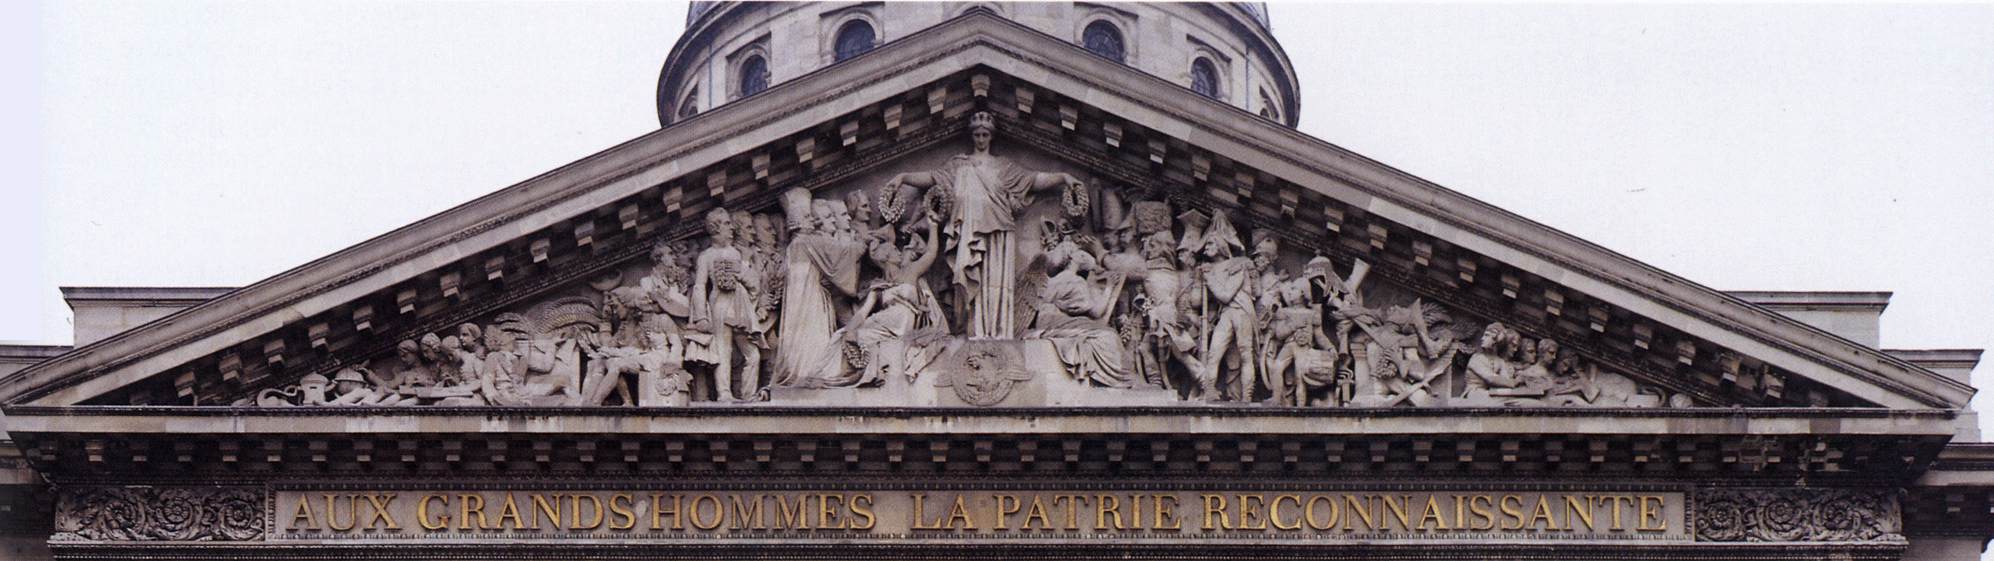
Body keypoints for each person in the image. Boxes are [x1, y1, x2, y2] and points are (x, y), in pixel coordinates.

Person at [883, 111, 1085, 339]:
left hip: (999, 232)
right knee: (964, 277)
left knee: (995, 283)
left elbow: (1034, 180)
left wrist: (1063, 177)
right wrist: (903, 177)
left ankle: (995, 332)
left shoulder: (1004, 167)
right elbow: (931, 177)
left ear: (991, 136)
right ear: (972, 136)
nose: (980, 139)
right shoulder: (958, 165)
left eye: (985, 135)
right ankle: (968, 329)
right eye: (977, 135)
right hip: (967, 232)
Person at [689, 208, 768, 401]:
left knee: (753, 354)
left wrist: (743, 269)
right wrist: (701, 317)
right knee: (722, 351)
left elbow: (752, 282)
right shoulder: (706, 256)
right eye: (726, 223)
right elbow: (699, 286)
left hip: (740, 307)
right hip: (720, 305)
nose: (731, 227)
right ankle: (724, 393)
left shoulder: (736, 253)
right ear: (714, 228)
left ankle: (749, 395)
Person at [1028, 242, 1131, 388]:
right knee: (1109, 335)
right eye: (1080, 252)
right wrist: (1109, 287)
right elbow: (1096, 312)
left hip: (1046, 321)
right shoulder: (1076, 281)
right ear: (1074, 258)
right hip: (1057, 322)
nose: (1084, 255)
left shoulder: (1053, 280)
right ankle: (1120, 378)